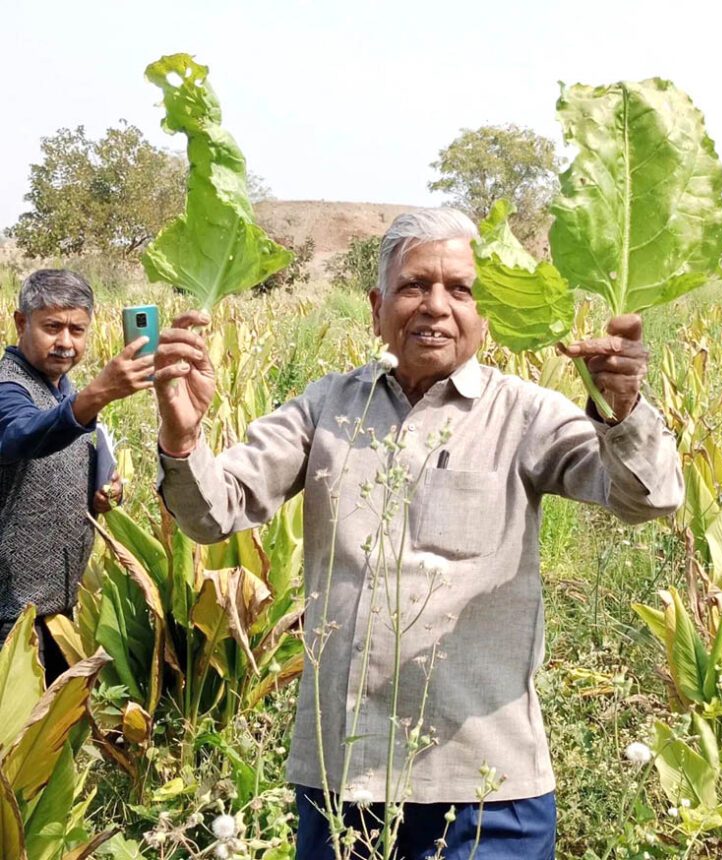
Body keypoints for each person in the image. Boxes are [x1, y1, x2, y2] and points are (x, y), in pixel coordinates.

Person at [155, 209, 684, 859]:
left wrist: (624, 412)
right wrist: (182, 438)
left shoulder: (524, 413)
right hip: (344, 779)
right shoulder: (326, 409)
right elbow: (214, 514)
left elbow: (647, 498)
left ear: (484, 311)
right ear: (377, 307)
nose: (436, 306)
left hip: (488, 793)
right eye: (413, 286)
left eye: (460, 289)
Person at [0, 268, 154, 681]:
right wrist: (98, 394)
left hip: (59, 606)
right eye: (52, 327)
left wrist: (102, 492)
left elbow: (54, 465)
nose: (65, 342)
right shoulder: (7, 386)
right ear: (21, 323)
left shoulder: (66, 390)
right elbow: (21, 436)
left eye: (77, 329)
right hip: (11, 615)